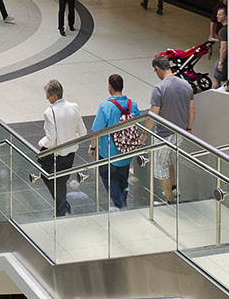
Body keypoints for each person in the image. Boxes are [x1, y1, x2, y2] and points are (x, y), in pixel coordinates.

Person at [88, 74, 141, 209]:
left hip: (109, 153)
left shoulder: (106, 106)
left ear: (110, 87)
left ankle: (119, 204)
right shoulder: (132, 104)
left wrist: (92, 148)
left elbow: (97, 130)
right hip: (127, 152)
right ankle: (124, 197)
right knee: (123, 178)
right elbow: (138, 124)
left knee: (107, 177)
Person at [148, 55, 195, 203]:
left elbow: (153, 114)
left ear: (157, 68)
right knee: (168, 160)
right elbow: (192, 110)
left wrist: (144, 134)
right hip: (180, 132)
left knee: (159, 166)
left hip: (163, 134)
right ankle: (174, 188)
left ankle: (170, 200)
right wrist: (188, 128)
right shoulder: (186, 84)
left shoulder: (159, 88)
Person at [36, 80, 86, 217]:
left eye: (47, 95)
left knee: (47, 176)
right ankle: (61, 208)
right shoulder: (74, 107)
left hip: (57, 153)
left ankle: (62, 206)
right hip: (70, 152)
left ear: (54, 96)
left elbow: (51, 138)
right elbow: (82, 132)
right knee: (61, 180)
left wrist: (41, 143)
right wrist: (70, 137)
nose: (46, 98)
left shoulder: (49, 112)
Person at [213, 6, 227, 89]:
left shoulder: (223, 31)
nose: (217, 16)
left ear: (226, 16)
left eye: (220, 14)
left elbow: (224, 48)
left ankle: (213, 96)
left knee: (216, 79)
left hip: (224, 59)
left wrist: (220, 63)